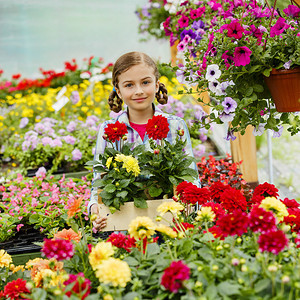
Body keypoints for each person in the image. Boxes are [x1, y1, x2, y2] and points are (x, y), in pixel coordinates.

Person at [88, 51, 200, 232]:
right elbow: (99, 182)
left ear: (157, 85)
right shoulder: (109, 130)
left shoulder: (174, 126)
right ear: (118, 89)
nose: (138, 91)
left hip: (170, 221)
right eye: (129, 85)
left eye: (145, 82)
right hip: (124, 224)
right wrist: (95, 210)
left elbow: (191, 176)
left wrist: (189, 204)